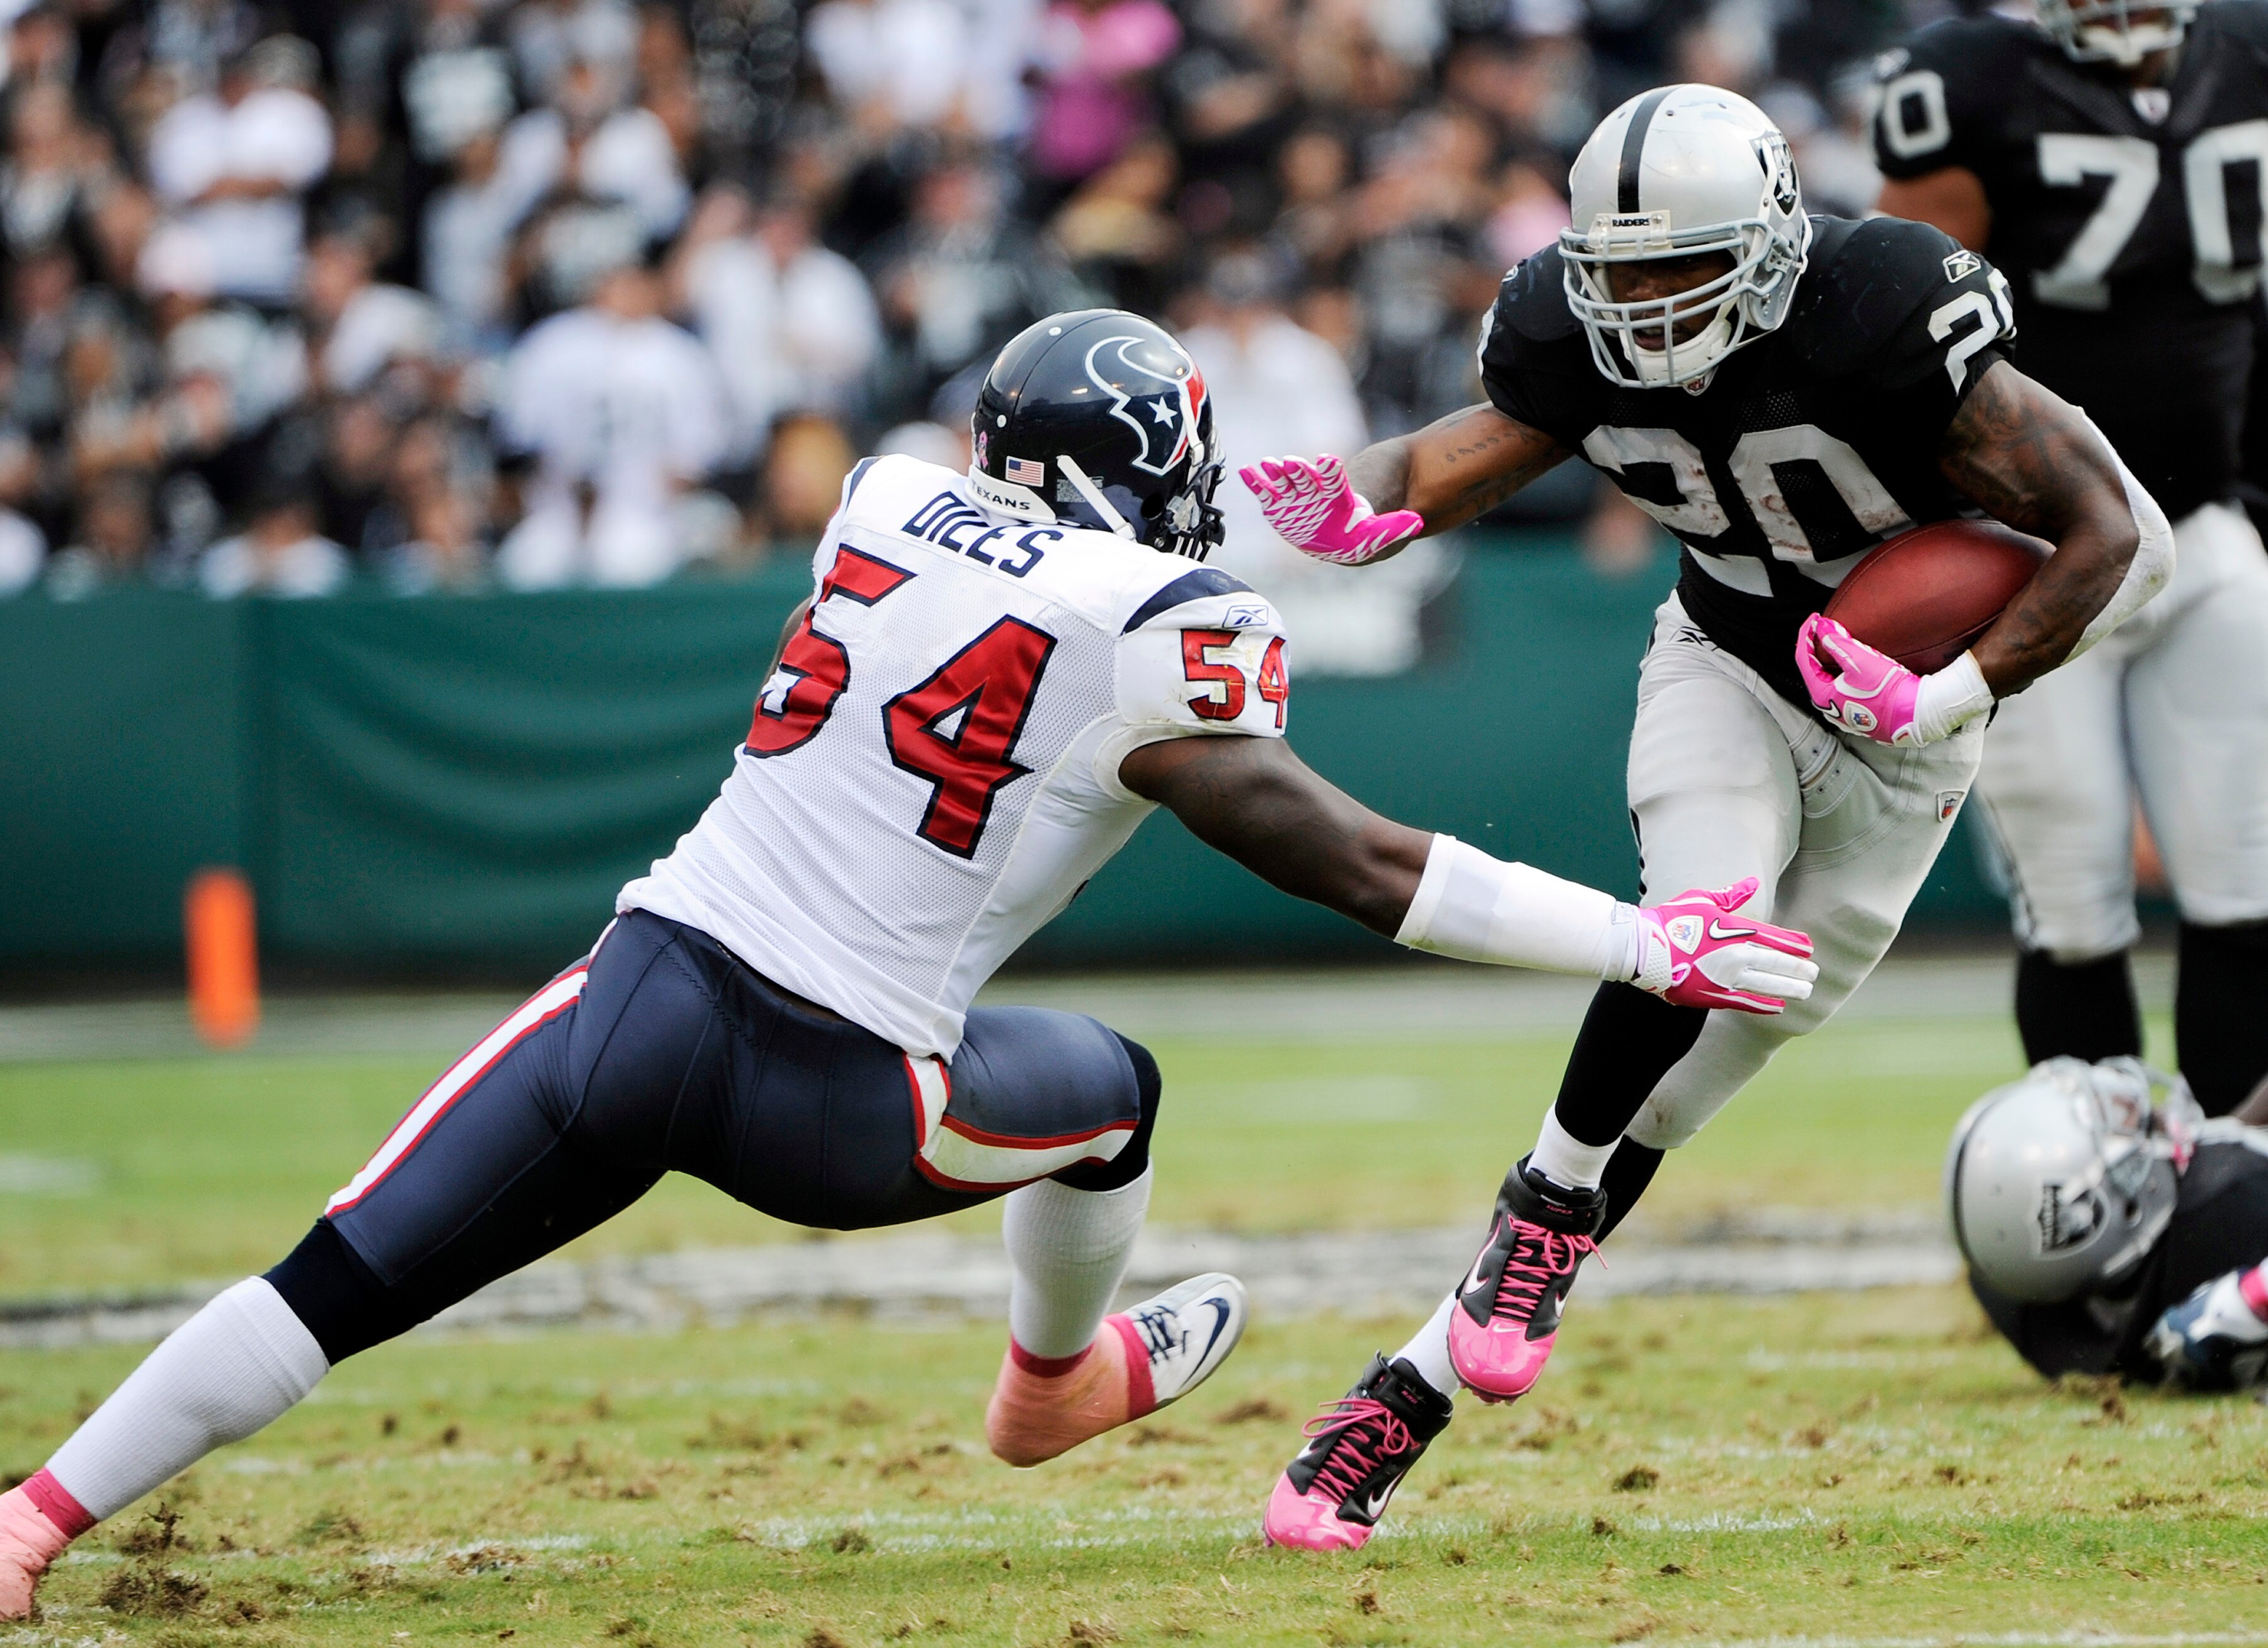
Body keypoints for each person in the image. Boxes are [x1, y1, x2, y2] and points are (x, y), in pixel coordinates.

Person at [0, 307, 1818, 1619]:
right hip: (846, 1100)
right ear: (1139, 478)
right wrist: (1645, 935)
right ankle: (1058, 1385)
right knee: (1115, 1100)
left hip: (631, 996)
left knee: (333, 1277)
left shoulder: (876, 499)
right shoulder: (1162, 619)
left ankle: (30, 1522)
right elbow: (1349, 859)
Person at [1239, 83, 2175, 1552]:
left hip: (1900, 743)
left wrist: (1949, 695)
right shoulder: (1561, 326)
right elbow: (1441, 456)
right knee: (1700, 932)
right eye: (1616, 274)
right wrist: (1352, 501)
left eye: (1679, 267)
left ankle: (1401, 1390)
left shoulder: (1882, 305)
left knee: (1671, 1098)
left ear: (1771, 242)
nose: (1643, 304)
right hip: (1725, 667)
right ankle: (1541, 1202)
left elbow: (2106, 530)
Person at [1870, 0, 2268, 1117]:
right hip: (2034, 554)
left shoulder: (2248, 52)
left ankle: (2234, 1207)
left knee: (2249, 888)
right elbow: (1904, 316)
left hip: (2211, 532)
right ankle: (2095, 1202)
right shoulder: (1969, 75)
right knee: (2074, 903)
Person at [1949, 1056, 2268, 1390]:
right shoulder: (2230, 1207)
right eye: (2119, 1123)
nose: (2144, 1113)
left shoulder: (2027, 1295)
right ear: (2092, 1215)